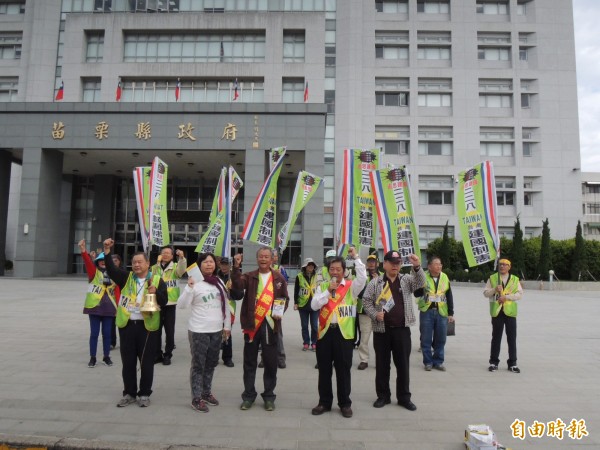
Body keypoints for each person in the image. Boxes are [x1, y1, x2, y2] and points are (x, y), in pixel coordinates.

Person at [103, 238, 168, 408]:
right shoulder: (126, 277)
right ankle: (129, 393)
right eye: (134, 262)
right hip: (127, 326)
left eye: (140, 262)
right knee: (128, 362)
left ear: (148, 263)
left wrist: (155, 293)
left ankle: (144, 393)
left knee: (146, 363)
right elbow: (111, 269)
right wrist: (107, 251)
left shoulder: (157, 280)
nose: (136, 265)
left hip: (148, 328)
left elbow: (165, 300)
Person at [362, 250, 424, 411]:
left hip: (402, 330)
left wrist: (417, 266)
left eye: (398, 263)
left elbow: (420, 283)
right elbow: (366, 301)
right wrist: (375, 314)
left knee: (403, 365)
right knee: (382, 365)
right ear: (385, 264)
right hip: (382, 331)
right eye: (393, 262)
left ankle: (404, 397)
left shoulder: (406, 280)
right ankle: (383, 396)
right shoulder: (376, 282)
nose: (396, 266)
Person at [230, 247, 289, 412]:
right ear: (257, 259)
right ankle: (248, 395)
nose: (263, 259)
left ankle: (269, 396)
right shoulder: (249, 276)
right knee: (249, 362)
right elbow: (237, 287)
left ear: (272, 260)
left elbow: (284, 298)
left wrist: (279, 311)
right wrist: (236, 268)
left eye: (267, 257)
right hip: (251, 325)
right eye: (261, 256)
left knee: (270, 363)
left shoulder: (278, 278)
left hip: (271, 325)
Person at [310, 246, 366, 418]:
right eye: (332, 269)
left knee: (343, 370)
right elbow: (314, 305)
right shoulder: (323, 287)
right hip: (326, 333)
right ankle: (324, 402)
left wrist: (355, 257)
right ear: (328, 271)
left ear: (344, 271)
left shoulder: (351, 287)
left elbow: (363, 277)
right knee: (324, 370)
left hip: (344, 335)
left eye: (338, 269)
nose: (335, 272)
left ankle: (345, 403)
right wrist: (328, 291)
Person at [178, 252, 231, 412]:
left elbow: (226, 306)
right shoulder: (195, 283)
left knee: (211, 363)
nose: (209, 264)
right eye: (206, 262)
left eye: (211, 262)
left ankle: (206, 392)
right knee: (198, 365)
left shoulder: (219, 282)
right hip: (199, 331)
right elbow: (181, 305)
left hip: (216, 330)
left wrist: (227, 326)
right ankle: (196, 397)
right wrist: (189, 287)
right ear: (199, 265)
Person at [79, 239, 118, 368]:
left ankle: (106, 356)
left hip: (109, 308)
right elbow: (87, 262)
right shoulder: (93, 273)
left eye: (105, 261)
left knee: (107, 334)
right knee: (94, 334)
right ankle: (93, 357)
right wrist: (83, 250)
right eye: (100, 261)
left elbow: (118, 291)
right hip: (94, 307)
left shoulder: (114, 275)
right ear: (97, 263)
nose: (103, 263)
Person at [483, 258, 523, 373]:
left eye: (505, 265)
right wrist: (494, 289)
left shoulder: (515, 279)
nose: (502, 266)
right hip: (497, 312)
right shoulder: (492, 278)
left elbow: (519, 294)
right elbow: (485, 293)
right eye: (500, 264)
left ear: (509, 267)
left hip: (510, 312)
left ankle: (512, 363)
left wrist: (507, 297)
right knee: (496, 337)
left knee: (511, 338)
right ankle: (493, 362)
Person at [417, 256, 454, 371]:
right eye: (436, 264)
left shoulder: (444, 277)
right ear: (429, 266)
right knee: (426, 338)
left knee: (441, 338)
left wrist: (450, 313)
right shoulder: (423, 277)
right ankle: (428, 362)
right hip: (426, 311)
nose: (439, 266)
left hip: (441, 312)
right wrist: (421, 287)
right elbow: (416, 293)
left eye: (440, 264)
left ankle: (438, 361)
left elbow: (449, 295)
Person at [152, 246, 186, 366]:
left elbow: (182, 271)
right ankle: (157, 354)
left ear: (172, 256)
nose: (165, 254)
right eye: (163, 253)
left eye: (168, 253)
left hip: (170, 303)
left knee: (169, 331)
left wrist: (181, 258)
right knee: (156, 330)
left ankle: (168, 354)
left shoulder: (176, 267)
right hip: (157, 303)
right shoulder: (155, 267)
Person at [356, 253, 383, 370]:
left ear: (377, 263)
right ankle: (364, 360)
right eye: (369, 261)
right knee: (364, 338)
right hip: (364, 311)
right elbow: (358, 292)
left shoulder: (382, 276)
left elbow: (385, 294)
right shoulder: (362, 275)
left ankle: (380, 360)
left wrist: (378, 282)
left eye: (373, 261)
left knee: (380, 339)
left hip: (378, 312)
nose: (371, 264)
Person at [217, 257, 244, 367]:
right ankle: (213, 356)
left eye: (226, 264)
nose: (224, 267)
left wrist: (231, 289)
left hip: (229, 310)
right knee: (214, 334)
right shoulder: (215, 276)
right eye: (222, 264)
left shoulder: (234, 277)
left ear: (230, 266)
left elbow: (240, 295)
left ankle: (227, 358)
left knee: (226, 333)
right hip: (214, 309)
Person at [294, 258, 319, 351]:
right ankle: (306, 343)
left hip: (315, 304)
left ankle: (314, 343)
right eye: (309, 265)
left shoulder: (317, 276)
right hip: (303, 305)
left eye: (312, 265)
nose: (311, 267)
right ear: (305, 266)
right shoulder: (299, 276)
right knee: (304, 326)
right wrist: (296, 303)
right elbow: (296, 290)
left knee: (315, 326)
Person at [109, 254, 123, 350]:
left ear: (119, 262)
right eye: (112, 260)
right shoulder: (107, 272)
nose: (114, 262)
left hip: (121, 301)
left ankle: (124, 341)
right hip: (110, 301)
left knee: (122, 323)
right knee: (111, 324)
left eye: (116, 260)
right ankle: (112, 342)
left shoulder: (123, 273)